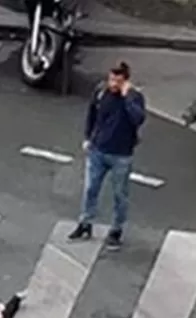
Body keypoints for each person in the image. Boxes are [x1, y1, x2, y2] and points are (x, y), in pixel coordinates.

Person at [69, 61, 146, 251]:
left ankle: (116, 230)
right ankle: (85, 223)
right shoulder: (101, 92)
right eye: (111, 79)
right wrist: (88, 137)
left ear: (126, 81)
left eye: (117, 81)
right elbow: (92, 115)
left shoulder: (135, 97)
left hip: (121, 154)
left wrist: (126, 96)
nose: (113, 84)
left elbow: (138, 119)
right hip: (98, 150)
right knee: (90, 189)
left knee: (120, 194)